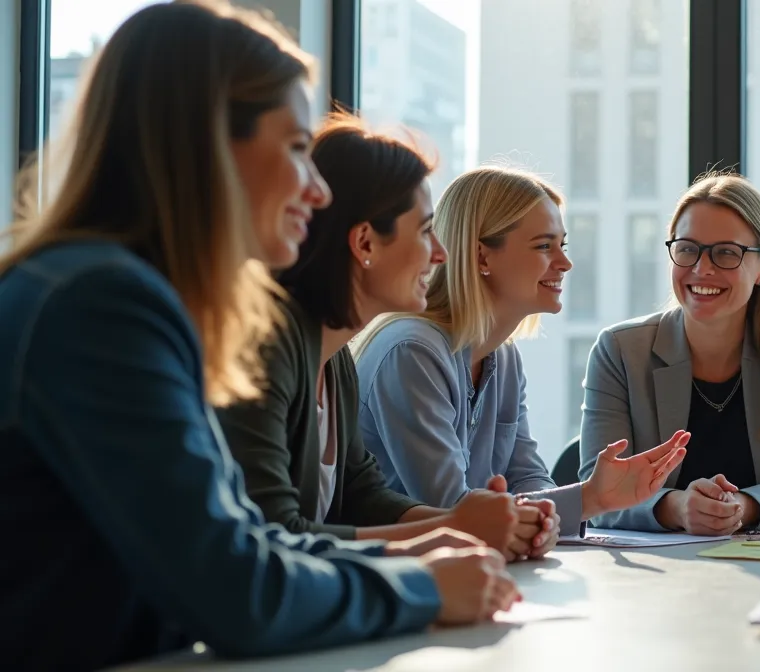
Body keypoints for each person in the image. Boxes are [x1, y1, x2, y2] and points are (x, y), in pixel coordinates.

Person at [0, 3, 513, 669]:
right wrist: (419, 584)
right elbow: (236, 589)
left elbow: (243, 543)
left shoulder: (105, 292)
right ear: (209, 143)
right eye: (298, 149)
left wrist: (421, 554)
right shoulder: (103, 307)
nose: (319, 191)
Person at [218, 115, 544, 560]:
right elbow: (273, 533)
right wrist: (453, 527)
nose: (441, 254)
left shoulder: (334, 361)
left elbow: (362, 496)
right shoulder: (269, 348)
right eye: (426, 231)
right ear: (366, 244)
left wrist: (469, 524)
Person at [353, 166, 688, 537]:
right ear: (482, 258)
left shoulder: (504, 357)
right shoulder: (412, 352)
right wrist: (588, 499)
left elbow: (526, 477)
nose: (565, 263)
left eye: (562, 245)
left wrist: (588, 501)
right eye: (544, 246)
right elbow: (451, 507)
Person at [579, 173, 760, 534]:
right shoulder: (619, 351)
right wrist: (677, 508)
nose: (701, 268)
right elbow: (597, 494)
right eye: (688, 248)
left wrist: (746, 507)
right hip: (660, 576)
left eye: (726, 253)